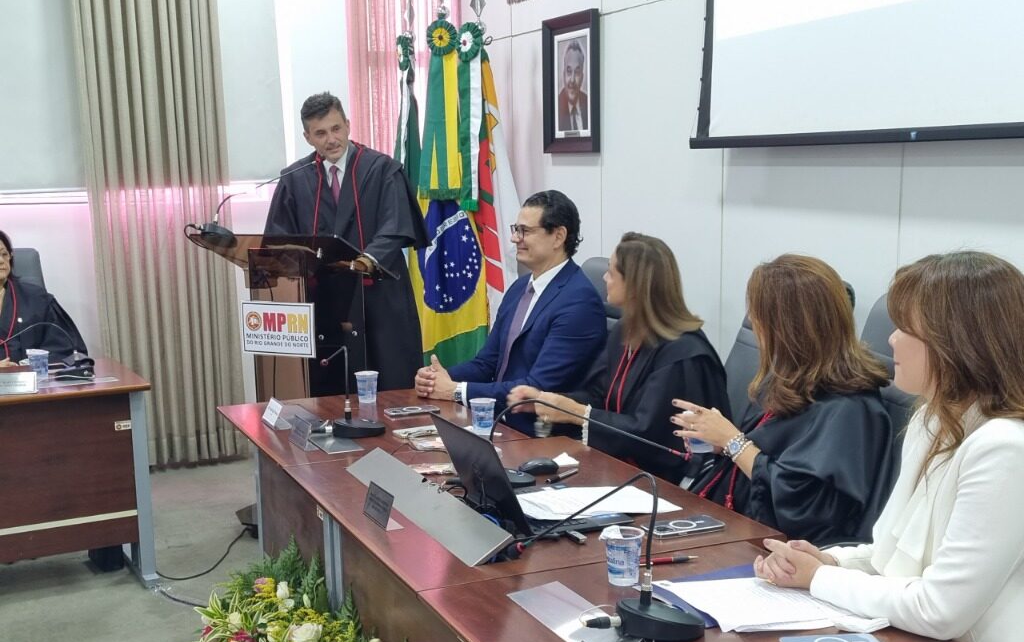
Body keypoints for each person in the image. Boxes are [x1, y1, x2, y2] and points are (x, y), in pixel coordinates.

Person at [755, 251, 1024, 642]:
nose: (891, 340)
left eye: (907, 327)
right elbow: (888, 552)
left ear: (958, 343)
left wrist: (816, 582)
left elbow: (941, 609)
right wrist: (826, 561)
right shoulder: (934, 421)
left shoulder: (1005, 447)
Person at [672, 254, 895, 545]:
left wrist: (734, 442)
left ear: (786, 327)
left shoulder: (850, 408)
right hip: (736, 525)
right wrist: (718, 443)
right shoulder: (789, 379)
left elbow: (803, 507)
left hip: (781, 552)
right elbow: (770, 453)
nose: (754, 324)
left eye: (759, 315)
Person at [507, 232, 730, 482]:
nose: (604, 278)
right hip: (615, 467)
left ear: (635, 286)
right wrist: (547, 400)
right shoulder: (627, 331)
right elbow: (599, 396)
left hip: (664, 483)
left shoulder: (682, 355)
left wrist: (577, 413)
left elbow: (648, 436)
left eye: (612, 273)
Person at [263, 92, 426, 393]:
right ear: (308, 136)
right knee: (330, 386)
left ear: (348, 125)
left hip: (378, 295)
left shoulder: (381, 169)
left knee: (389, 378)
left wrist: (364, 261)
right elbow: (278, 239)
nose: (331, 140)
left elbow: (395, 226)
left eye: (336, 129)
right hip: (324, 300)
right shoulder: (295, 179)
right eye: (320, 133)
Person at [414, 190, 606, 432]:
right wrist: (437, 378)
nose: (515, 239)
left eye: (525, 231)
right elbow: (487, 363)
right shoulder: (519, 288)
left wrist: (455, 390)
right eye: (516, 229)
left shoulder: (579, 302)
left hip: (540, 435)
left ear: (558, 236)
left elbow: (536, 388)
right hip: (499, 422)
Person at [0, 229, 87, 365]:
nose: (1, 260)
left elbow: (66, 349)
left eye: (4, 254)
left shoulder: (37, 298)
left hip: (30, 382)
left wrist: (29, 366)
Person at [556, 40, 588, 133]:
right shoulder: (556, 109)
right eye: (569, 71)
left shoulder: (589, 104)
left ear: (582, 77)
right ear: (563, 75)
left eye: (577, 72)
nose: (572, 80)